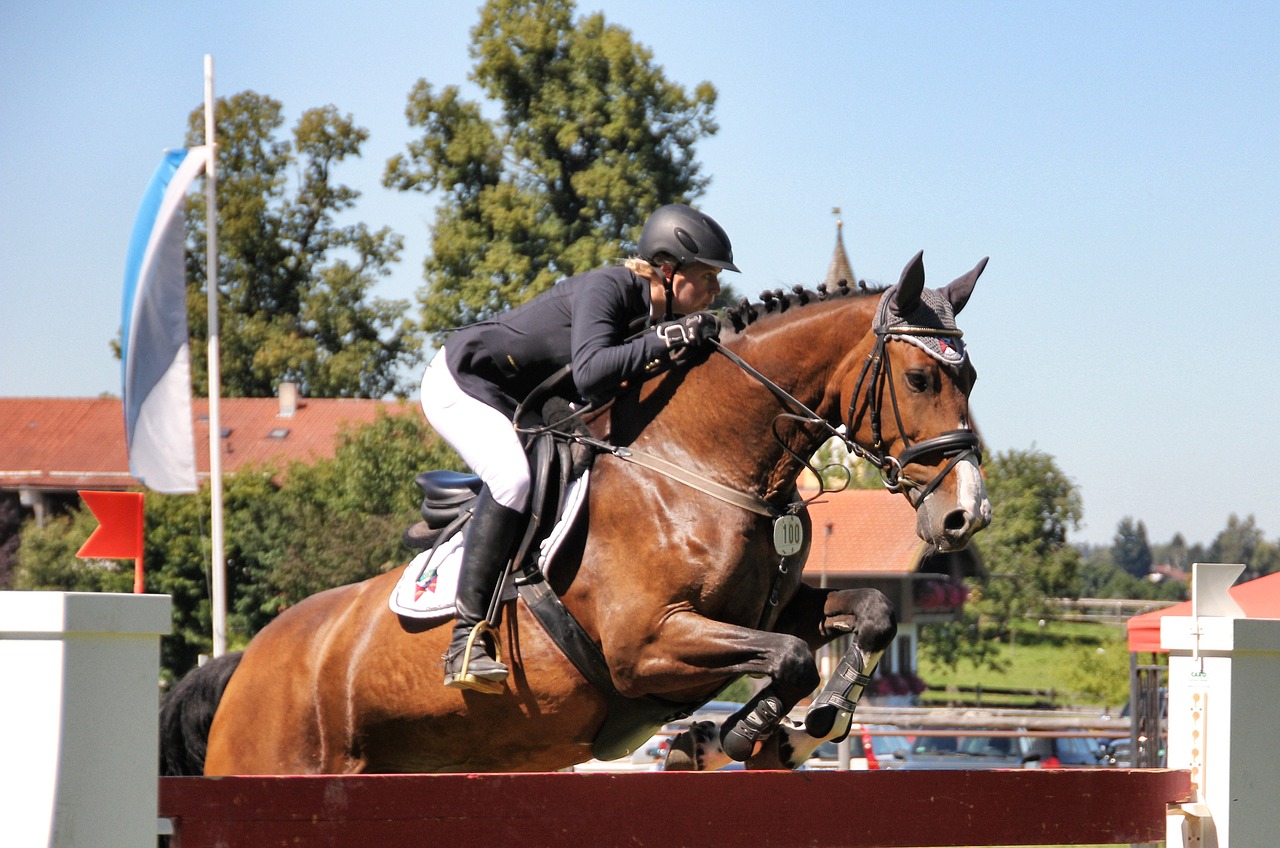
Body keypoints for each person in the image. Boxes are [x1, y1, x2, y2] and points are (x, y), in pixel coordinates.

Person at [420, 203, 740, 692]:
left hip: (525, 398)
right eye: (709, 275)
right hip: (463, 382)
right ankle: (466, 641)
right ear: (669, 271)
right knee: (514, 477)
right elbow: (592, 374)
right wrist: (670, 337)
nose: (717, 288)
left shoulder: (650, 317)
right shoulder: (608, 287)